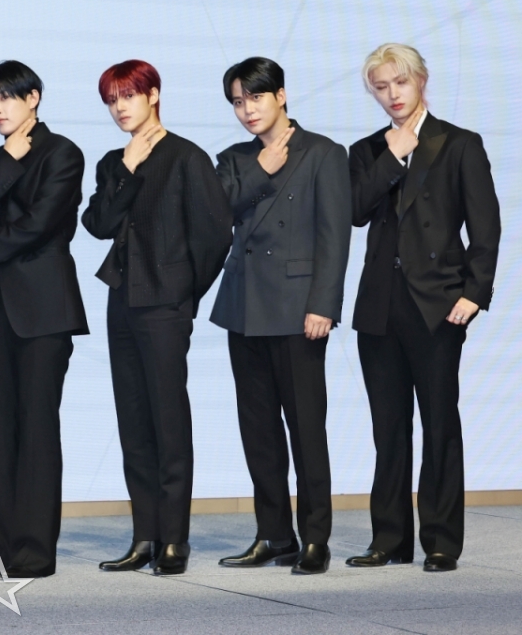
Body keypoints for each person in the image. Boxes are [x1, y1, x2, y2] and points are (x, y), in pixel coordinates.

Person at [346, 43, 500, 573]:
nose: (391, 95)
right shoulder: (367, 149)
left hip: (437, 304)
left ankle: (440, 539)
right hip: (380, 307)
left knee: (439, 423)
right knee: (387, 427)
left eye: (400, 83)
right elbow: (355, 212)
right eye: (381, 87)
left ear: (421, 81)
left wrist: (474, 293)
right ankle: (389, 538)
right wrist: (392, 154)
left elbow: (486, 227)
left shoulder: (459, 143)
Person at [82, 60, 231, 575]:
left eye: (128, 95)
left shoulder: (188, 157)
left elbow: (215, 237)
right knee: (133, 422)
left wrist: (183, 295)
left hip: (165, 305)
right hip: (122, 300)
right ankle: (144, 536)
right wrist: (124, 167)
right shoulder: (112, 160)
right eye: (111, 99)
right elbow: (98, 225)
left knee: (169, 421)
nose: (120, 107)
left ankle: (175, 540)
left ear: (154, 94)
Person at [211, 57, 351, 575]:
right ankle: (273, 535)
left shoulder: (323, 153)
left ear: (282, 96)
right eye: (237, 101)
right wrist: (260, 171)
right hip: (244, 308)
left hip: (298, 310)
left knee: (307, 429)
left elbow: (335, 235)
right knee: (259, 430)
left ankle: (316, 538)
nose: (246, 109)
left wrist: (324, 305)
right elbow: (216, 213)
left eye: (255, 97)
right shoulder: (233, 158)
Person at [0, 60, 88, 579]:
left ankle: (34, 551)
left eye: (5, 98)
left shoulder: (64, 153)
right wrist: (9, 160)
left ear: (33, 97)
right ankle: (5, 544)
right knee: (0, 431)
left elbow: (41, 224)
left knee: (37, 429)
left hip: (44, 310)